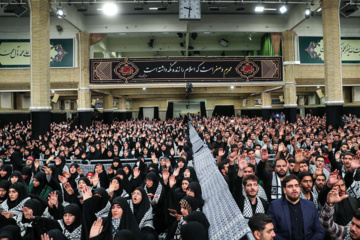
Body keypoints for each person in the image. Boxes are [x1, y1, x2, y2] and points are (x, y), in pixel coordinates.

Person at [267, 175, 325, 240]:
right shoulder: (275, 206)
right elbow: (271, 232)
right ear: (284, 190)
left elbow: (319, 231)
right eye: (290, 186)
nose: (294, 188)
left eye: (296, 186)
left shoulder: (310, 206)